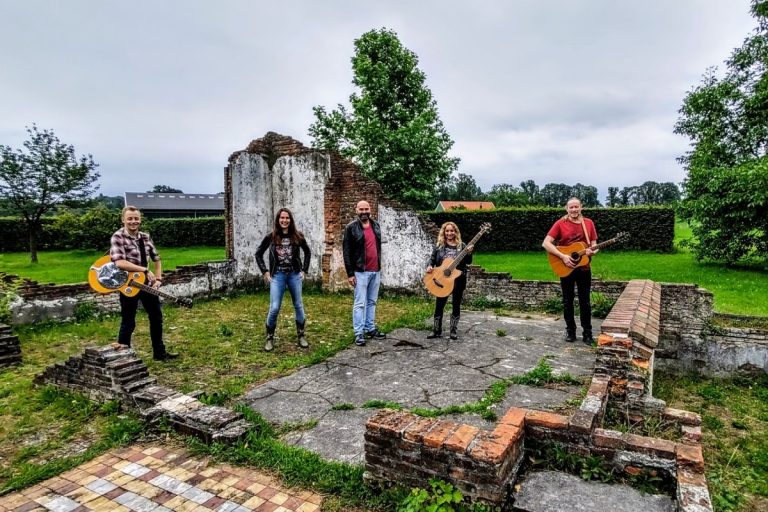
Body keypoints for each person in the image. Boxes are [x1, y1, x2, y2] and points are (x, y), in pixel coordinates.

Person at [110, 206, 179, 361]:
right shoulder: (118, 237)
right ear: (123, 220)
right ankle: (123, 357)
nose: (133, 221)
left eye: (136, 218)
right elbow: (119, 262)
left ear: (140, 219)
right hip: (128, 285)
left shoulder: (145, 237)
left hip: (146, 284)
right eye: (130, 218)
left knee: (156, 317)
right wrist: (144, 269)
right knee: (128, 320)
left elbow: (157, 258)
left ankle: (159, 354)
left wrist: (159, 279)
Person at [542, 197, 599, 344]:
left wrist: (593, 251)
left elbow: (594, 244)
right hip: (566, 266)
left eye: (576, 207)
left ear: (581, 208)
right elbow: (546, 243)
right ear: (566, 209)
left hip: (584, 268)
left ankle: (587, 333)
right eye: (571, 207)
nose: (574, 210)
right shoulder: (560, 224)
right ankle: (570, 331)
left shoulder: (589, 223)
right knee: (567, 301)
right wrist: (563, 256)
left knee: (585, 302)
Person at [256, 208, 311, 352]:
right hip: (278, 275)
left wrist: (304, 270)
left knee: (298, 305)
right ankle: (269, 337)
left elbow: (308, 252)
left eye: (287, 218)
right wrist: (265, 272)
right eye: (282, 218)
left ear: (290, 220)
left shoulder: (298, 236)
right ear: (278, 220)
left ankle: (301, 335)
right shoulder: (271, 237)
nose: (284, 220)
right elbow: (258, 254)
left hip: (294, 274)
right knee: (274, 307)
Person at [343, 200, 386, 347]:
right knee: (360, 303)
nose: (364, 211)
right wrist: (350, 273)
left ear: (370, 209)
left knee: (372, 301)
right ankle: (359, 333)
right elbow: (346, 251)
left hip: (375, 270)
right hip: (360, 272)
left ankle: (370, 328)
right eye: (361, 209)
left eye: (366, 209)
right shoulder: (351, 228)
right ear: (356, 210)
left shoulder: (376, 225)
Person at [425, 222, 474, 340]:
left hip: (458, 280)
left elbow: (468, 262)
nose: (449, 233)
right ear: (444, 232)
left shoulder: (462, 246)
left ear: (455, 232)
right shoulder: (439, 246)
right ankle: (436, 330)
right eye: (447, 231)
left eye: (452, 231)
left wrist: (469, 253)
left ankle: (453, 331)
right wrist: (429, 266)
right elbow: (431, 260)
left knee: (456, 305)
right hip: (442, 280)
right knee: (439, 306)